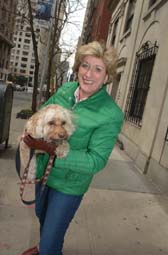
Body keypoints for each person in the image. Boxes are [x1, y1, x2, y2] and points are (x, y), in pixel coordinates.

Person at [21, 41, 124, 255]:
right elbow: (41, 114)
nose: (89, 74)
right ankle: (44, 244)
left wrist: (54, 152)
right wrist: (33, 133)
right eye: (85, 65)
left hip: (69, 185)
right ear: (78, 67)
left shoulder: (111, 114)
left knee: (51, 243)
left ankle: (47, 247)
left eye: (98, 69)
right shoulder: (66, 89)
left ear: (106, 77)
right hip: (43, 173)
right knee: (42, 217)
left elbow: (96, 160)